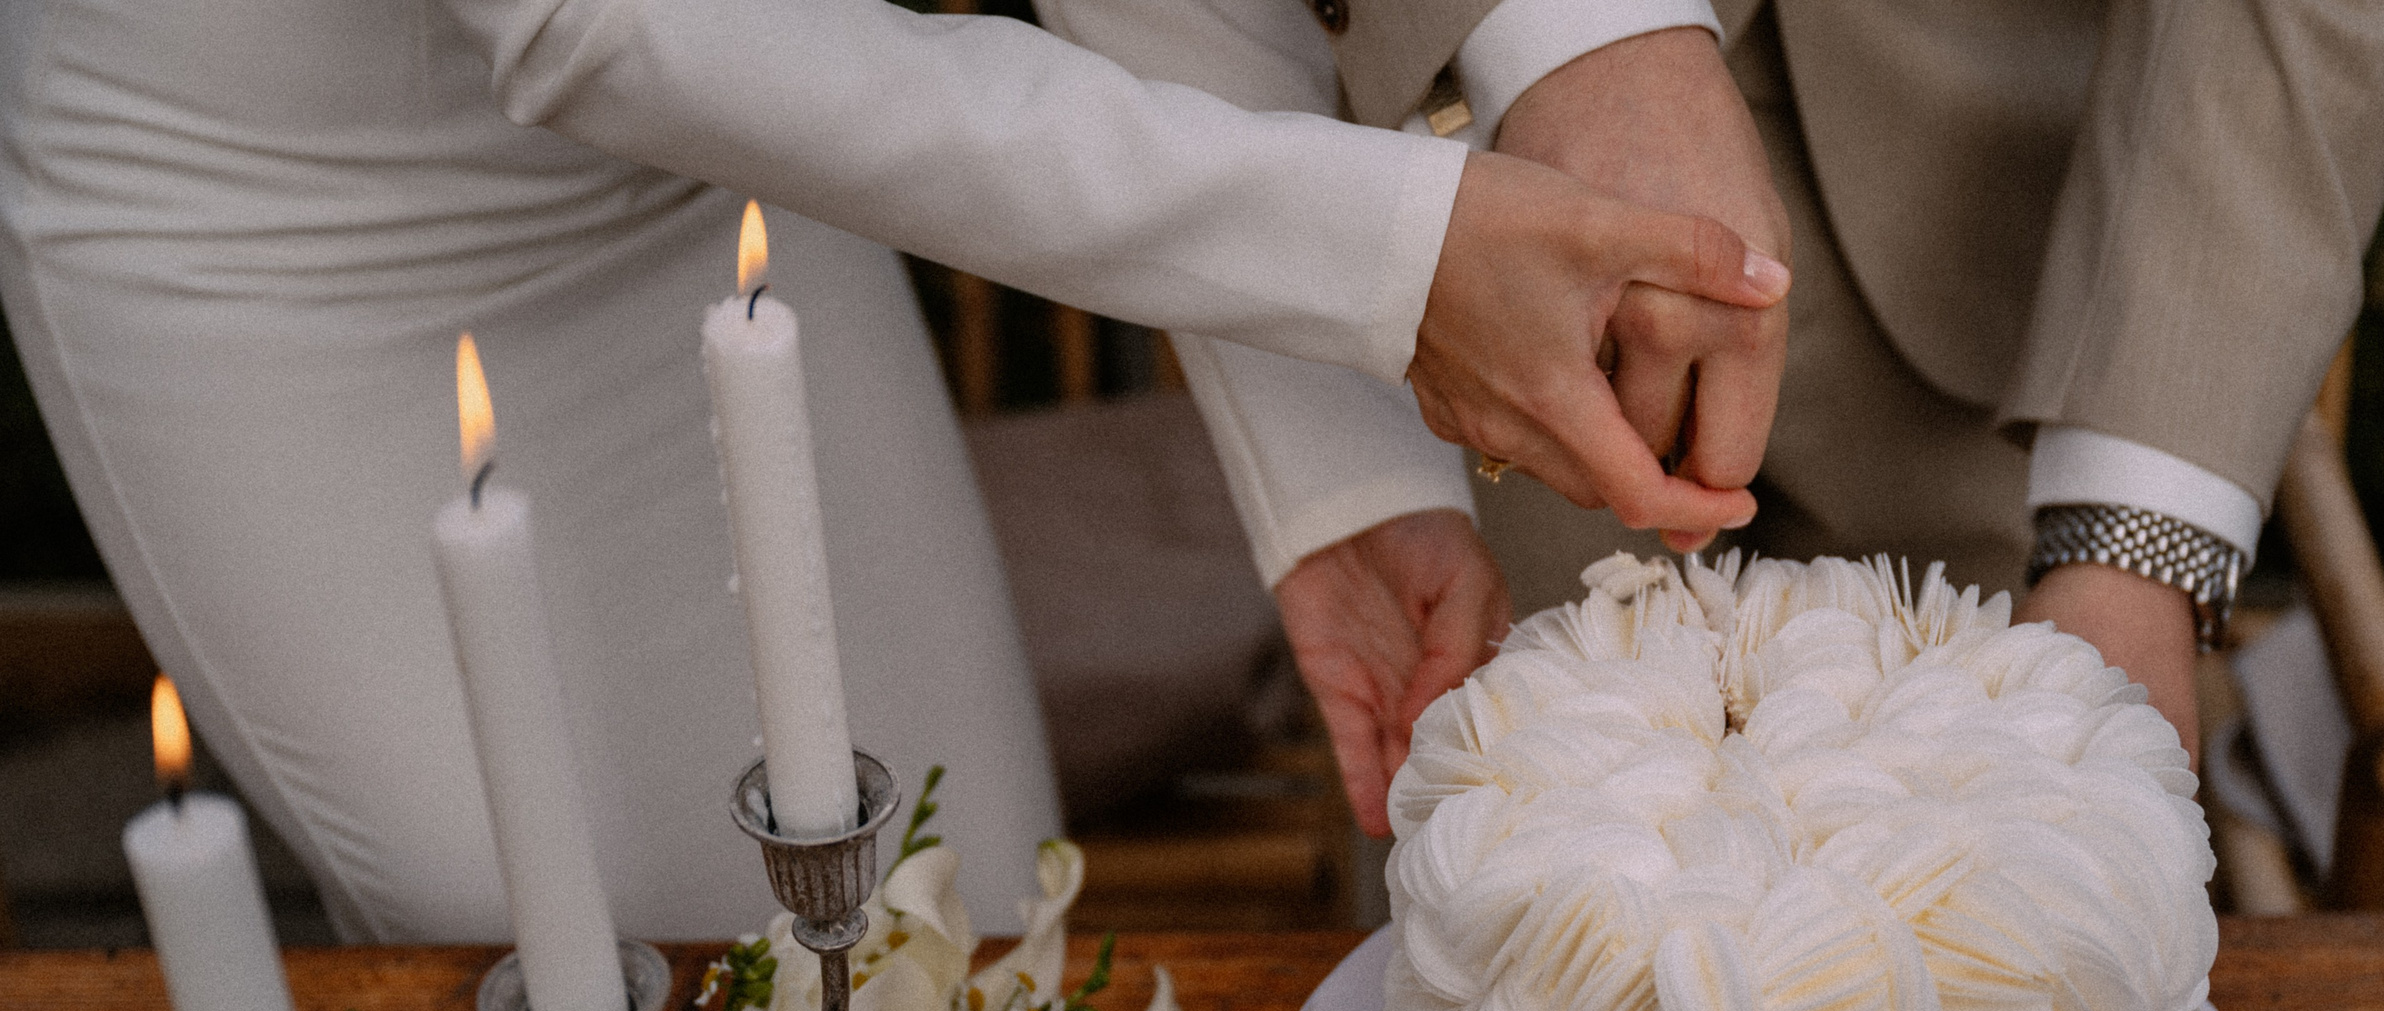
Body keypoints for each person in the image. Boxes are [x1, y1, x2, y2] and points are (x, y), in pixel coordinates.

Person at [0, 0, 1777, 940]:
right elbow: (599, 24)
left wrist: (1341, 477)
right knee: (549, 958)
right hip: (280, 232)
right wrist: (1390, 258)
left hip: (748, 155)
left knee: (954, 908)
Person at [1042, 0, 2384, 827]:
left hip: (2044, 264)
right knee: (1498, 902)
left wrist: (2135, 531)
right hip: (1473, 177)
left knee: (1994, 940)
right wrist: (1562, 32)